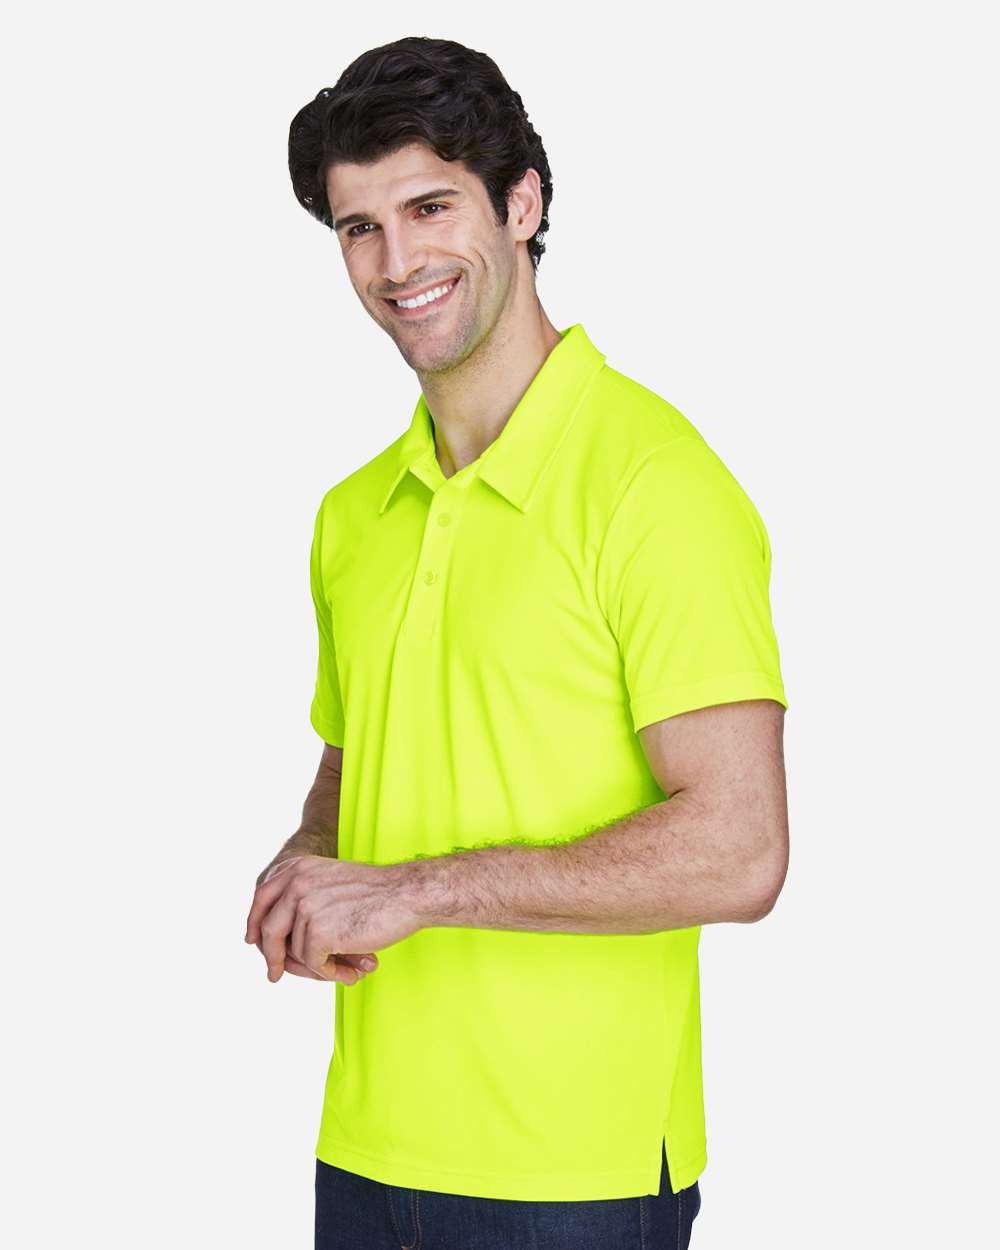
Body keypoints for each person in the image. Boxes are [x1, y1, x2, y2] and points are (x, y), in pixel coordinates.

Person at [244, 34, 789, 1250]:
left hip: (575, 1173)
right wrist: (311, 857)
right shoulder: (353, 514)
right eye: (359, 227)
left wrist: (415, 889)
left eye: (430, 207)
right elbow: (359, 753)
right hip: (368, 1146)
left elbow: (741, 848)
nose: (396, 262)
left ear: (522, 203)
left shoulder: (655, 484)